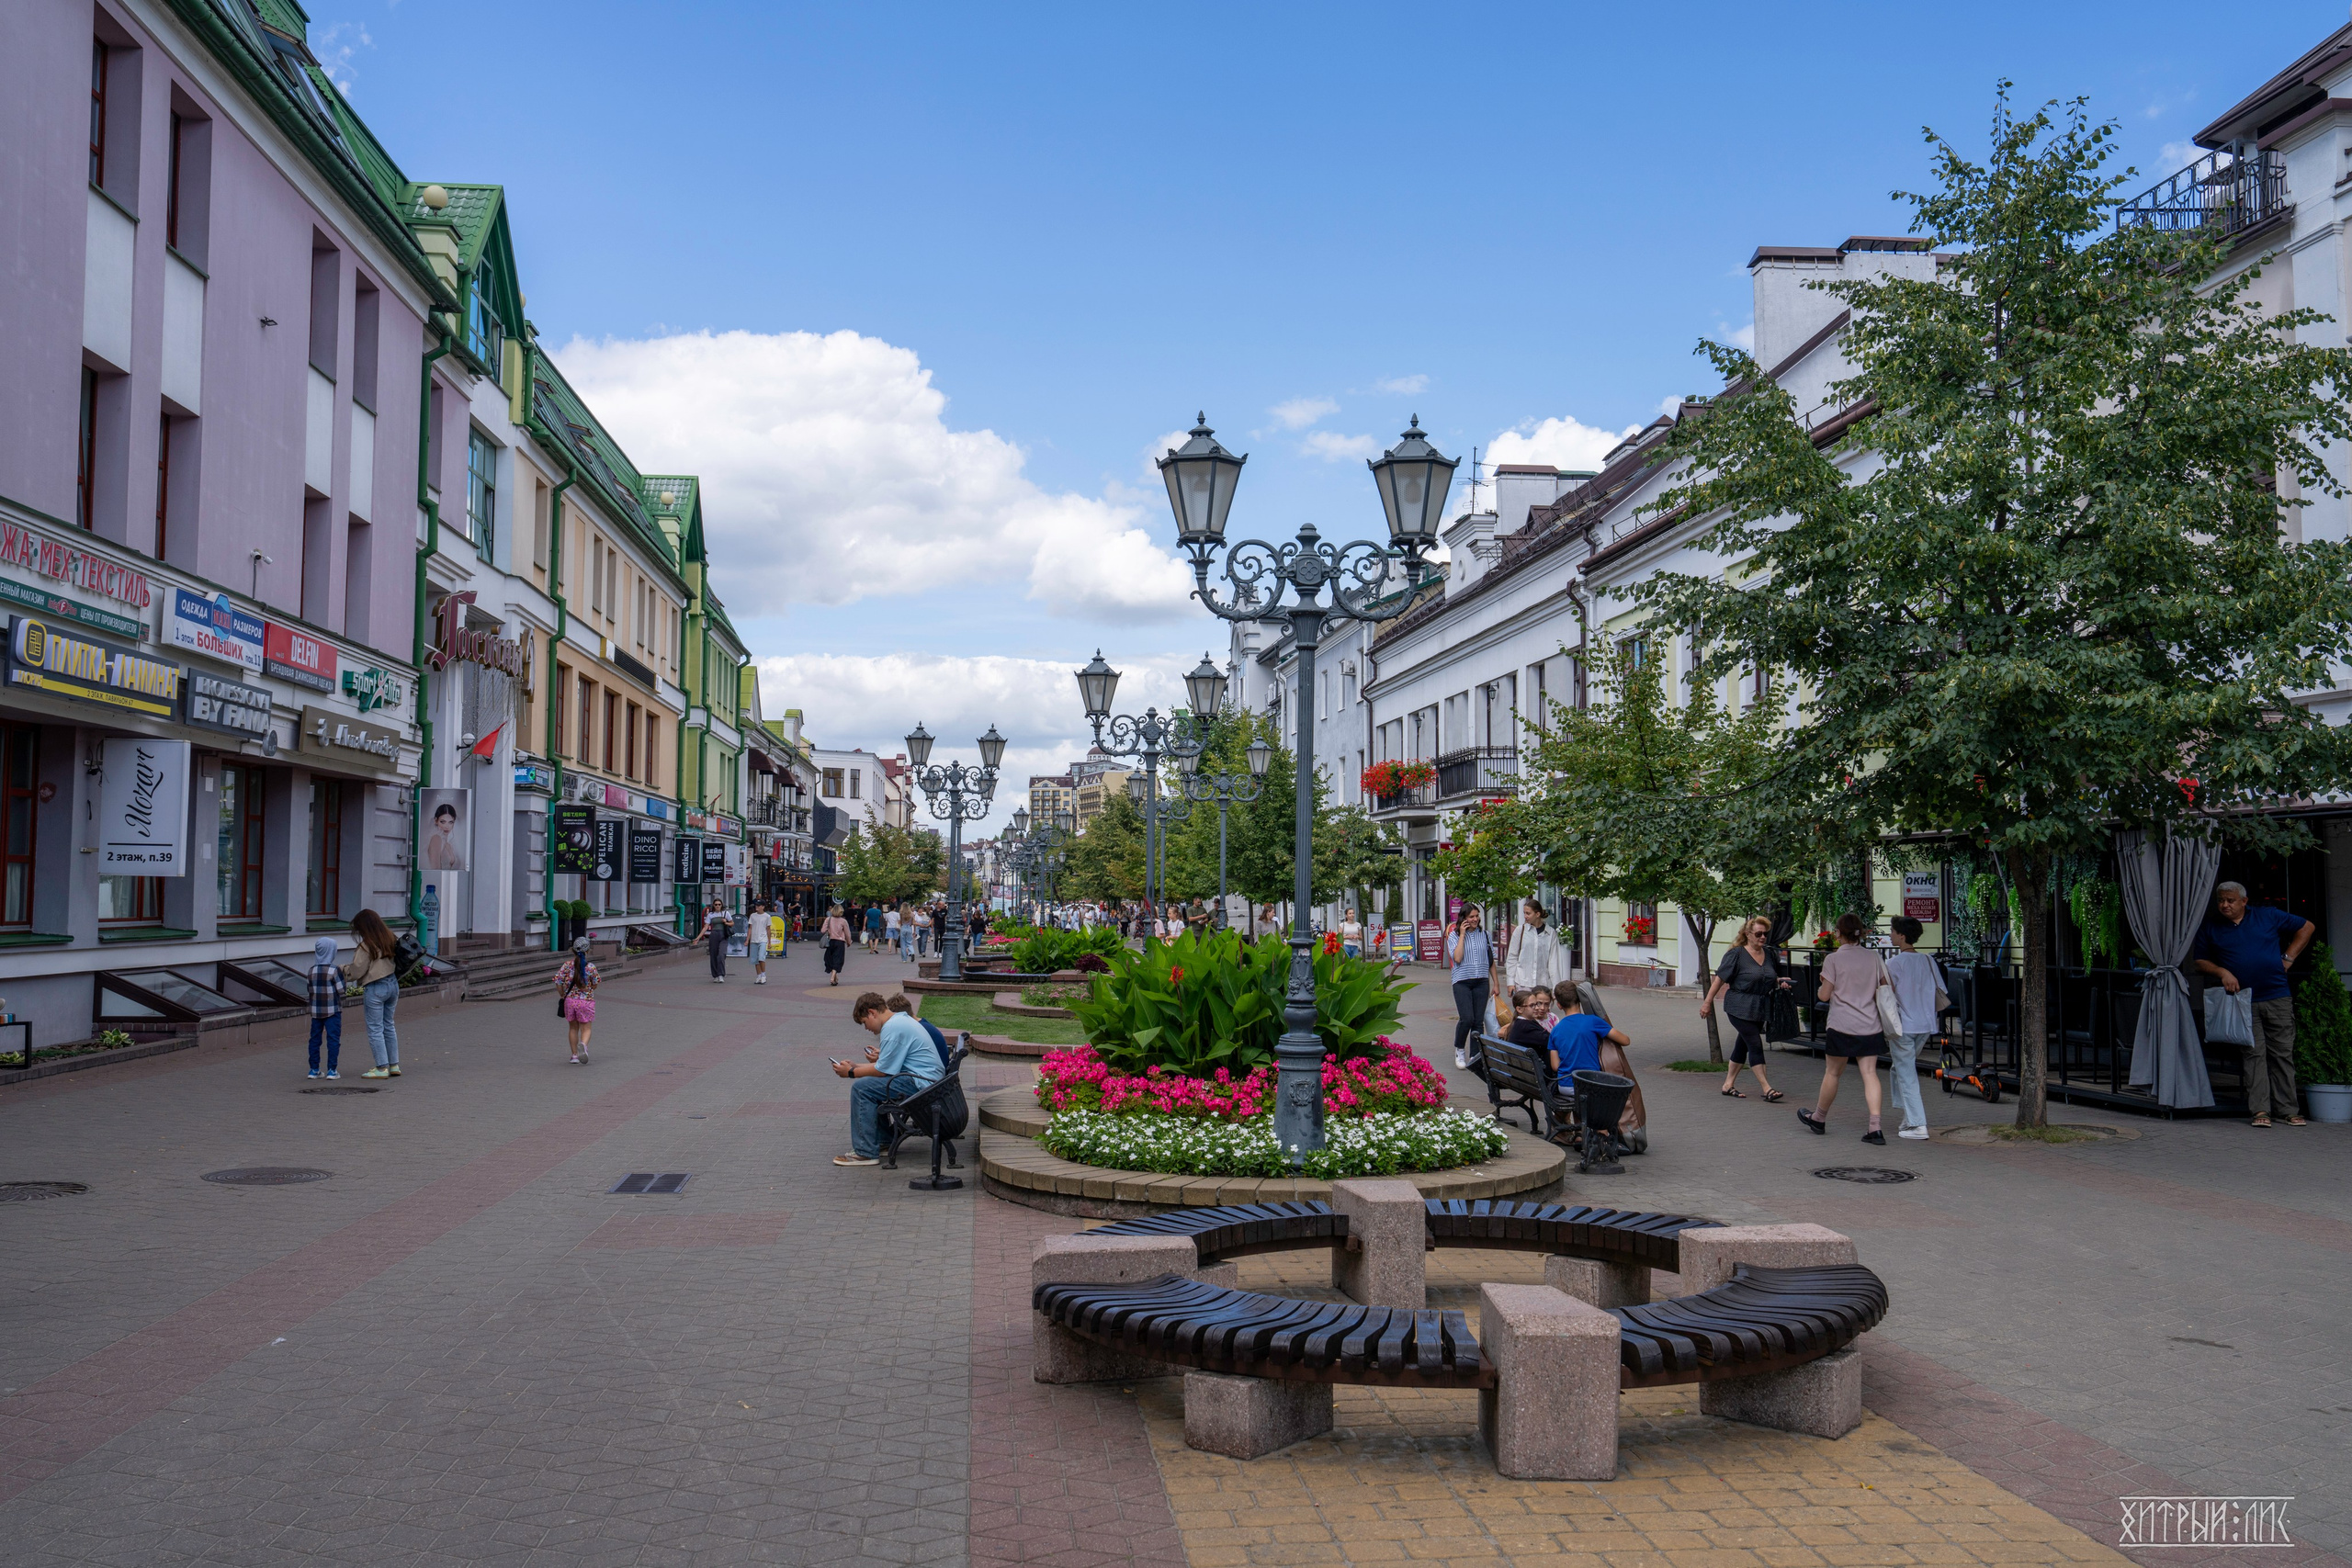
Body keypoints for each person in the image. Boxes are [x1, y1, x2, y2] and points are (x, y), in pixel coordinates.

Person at [2194, 881, 2315, 1128]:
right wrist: (2222, 972)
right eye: (2221, 900)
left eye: (2230, 900)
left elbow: (2307, 926)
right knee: (2254, 1055)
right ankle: (2261, 1110)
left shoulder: (2268, 915)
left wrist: (2288, 957)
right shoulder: (2211, 926)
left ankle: (2288, 1110)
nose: (2225, 905)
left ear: (2244, 901)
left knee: (2282, 1054)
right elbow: (2199, 961)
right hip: (2242, 1001)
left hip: (2277, 995)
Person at [1802, 912, 1890, 1144]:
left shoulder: (1833, 960)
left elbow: (1824, 994)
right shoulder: (1873, 958)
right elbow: (1885, 987)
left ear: (1838, 933)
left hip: (1841, 1024)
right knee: (1870, 1074)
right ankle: (1875, 1128)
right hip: (1870, 1024)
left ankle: (1819, 1118)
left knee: (1833, 1073)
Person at [832, 990, 944, 1167]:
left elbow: (883, 1071)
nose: (867, 1028)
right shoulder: (899, 1020)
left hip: (922, 1084)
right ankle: (884, 1141)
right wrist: (855, 1066)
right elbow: (886, 1066)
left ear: (872, 1012)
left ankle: (865, 1152)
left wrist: (851, 1073)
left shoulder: (892, 1027)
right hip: (927, 1081)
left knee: (861, 1088)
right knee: (871, 1086)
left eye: (864, 1022)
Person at [1702, 916, 1788, 1102]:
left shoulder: (1770, 954)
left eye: (1765, 933)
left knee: (1742, 1045)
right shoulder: (1736, 955)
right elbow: (1720, 979)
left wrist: (1779, 982)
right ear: (1748, 934)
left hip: (1760, 1007)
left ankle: (1727, 1084)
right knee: (1755, 1043)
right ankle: (1767, 1088)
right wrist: (1707, 1002)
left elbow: (1770, 977)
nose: (1763, 937)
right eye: (1758, 933)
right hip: (1739, 1006)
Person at [1883, 915, 1943, 1140]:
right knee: (1899, 1069)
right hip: (1926, 1024)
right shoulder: (1928, 960)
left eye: (1892, 931)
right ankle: (1908, 1116)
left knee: (1906, 1073)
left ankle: (1918, 1124)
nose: (1890, 934)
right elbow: (1940, 990)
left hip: (1903, 1026)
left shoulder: (1894, 963)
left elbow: (1886, 994)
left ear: (1902, 935)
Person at [346, 908, 401, 1079]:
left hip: (376, 988)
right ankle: (394, 1065)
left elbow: (356, 971)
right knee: (388, 1025)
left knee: (375, 1028)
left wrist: (341, 970)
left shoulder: (366, 945)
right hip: (393, 984)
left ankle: (381, 1068)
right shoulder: (390, 937)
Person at [1445, 906, 1494, 1071]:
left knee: (1478, 1021)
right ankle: (1460, 1049)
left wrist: (1496, 983)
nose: (1475, 919)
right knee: (1467, 1018)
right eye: (1471, 917)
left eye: (1477, 916)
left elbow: (1491, 961)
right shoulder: (1453, 936)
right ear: (1463, 918)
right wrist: (1463, 935)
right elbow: (1457, 958)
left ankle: (1475, 1055)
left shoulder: (1485, 935)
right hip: (1462, 982)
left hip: (1481, 981)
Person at [1506, 900, 1566, 995]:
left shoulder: (1550, 933)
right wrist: (1510, 982)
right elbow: (1512, 957)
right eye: (1524, 913)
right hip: (1522, 983)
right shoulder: (1520, 931)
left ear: (1537, 914)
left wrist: (1556, 988)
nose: (1525, 916)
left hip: (1543, 984)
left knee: (1542, 1009)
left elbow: (1554, 962)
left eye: (1528, 913)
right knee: (1524, 1009)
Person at [554, 937, 598, 1064]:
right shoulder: (591, 967)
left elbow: (558, 981)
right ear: (588, 951)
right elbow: (595, 984)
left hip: (570, 1002)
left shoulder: (567, 966)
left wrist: (562, 994)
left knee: (573, 1028)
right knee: (586, 1028)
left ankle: (574, 1056)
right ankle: (583, 1045)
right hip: (586, 1001)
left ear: (573, 950)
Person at [304, 935, 343, 1080]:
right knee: (333, 1039)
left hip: (315, 1011)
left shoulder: (311, 970)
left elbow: (310, 990)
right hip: (333, 1010)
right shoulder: (334, 970)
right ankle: (332, 1070)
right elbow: (341, 990)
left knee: (315, 1039)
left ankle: (314, 1069)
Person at [423, 801, 463, 871]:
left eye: (450, 822)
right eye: (442, 822)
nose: (447, 827)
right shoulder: (436, 839)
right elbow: (435, 869)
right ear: (436, 821)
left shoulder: (449, 844)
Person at [698, 904, 731, 983]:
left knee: (721, 955)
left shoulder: (725, 913)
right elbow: (706, 927)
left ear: (721, 905)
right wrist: (698, 937)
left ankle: (721, 975)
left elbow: (732, 923)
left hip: (723, 935)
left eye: (719, 904)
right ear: (713, 906)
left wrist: (726, 922)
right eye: (716, 904)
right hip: (714, 935)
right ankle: (715, 975)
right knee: (713, 955)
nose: (717, 906)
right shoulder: (711, 914)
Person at [821, 903, 851, 985]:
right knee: (838, 959)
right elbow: (847, 933)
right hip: (840, 942)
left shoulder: (828, 919)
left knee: (829, 959)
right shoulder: (843, 921)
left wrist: (829, 930)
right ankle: (832, 978)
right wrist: (849, 942)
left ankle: (834, 978)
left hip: (830, 941)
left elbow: (823, 930)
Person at [747, 901, 775, 985]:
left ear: (763, 906)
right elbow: (750, 928)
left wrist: (769, 942)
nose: (757, 907)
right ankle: (758, 975)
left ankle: (763, 975)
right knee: (755, 959)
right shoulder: (753, 916)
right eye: (756, 905)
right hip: (754, 939)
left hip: (763, 939)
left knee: (761, 957)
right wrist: (747, 939)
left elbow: (768, 929)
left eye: (759, 905)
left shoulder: (767, 916)